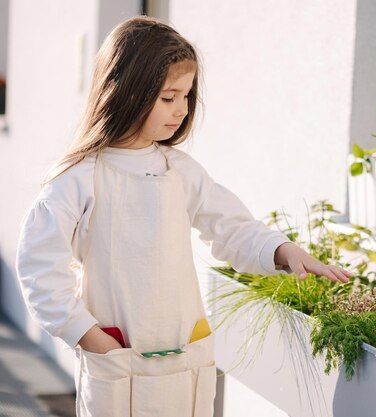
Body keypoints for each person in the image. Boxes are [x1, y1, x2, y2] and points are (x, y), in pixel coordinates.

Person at [15, 16, 350, 417]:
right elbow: (39, 268)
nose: (181, 109)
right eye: (168, 97)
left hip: (183, 362)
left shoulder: (181, 171)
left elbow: (232, 227)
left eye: (187, 96)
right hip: (117, 362)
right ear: (128, 92)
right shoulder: (79, 178)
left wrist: (284, 250)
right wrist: (90, 337)